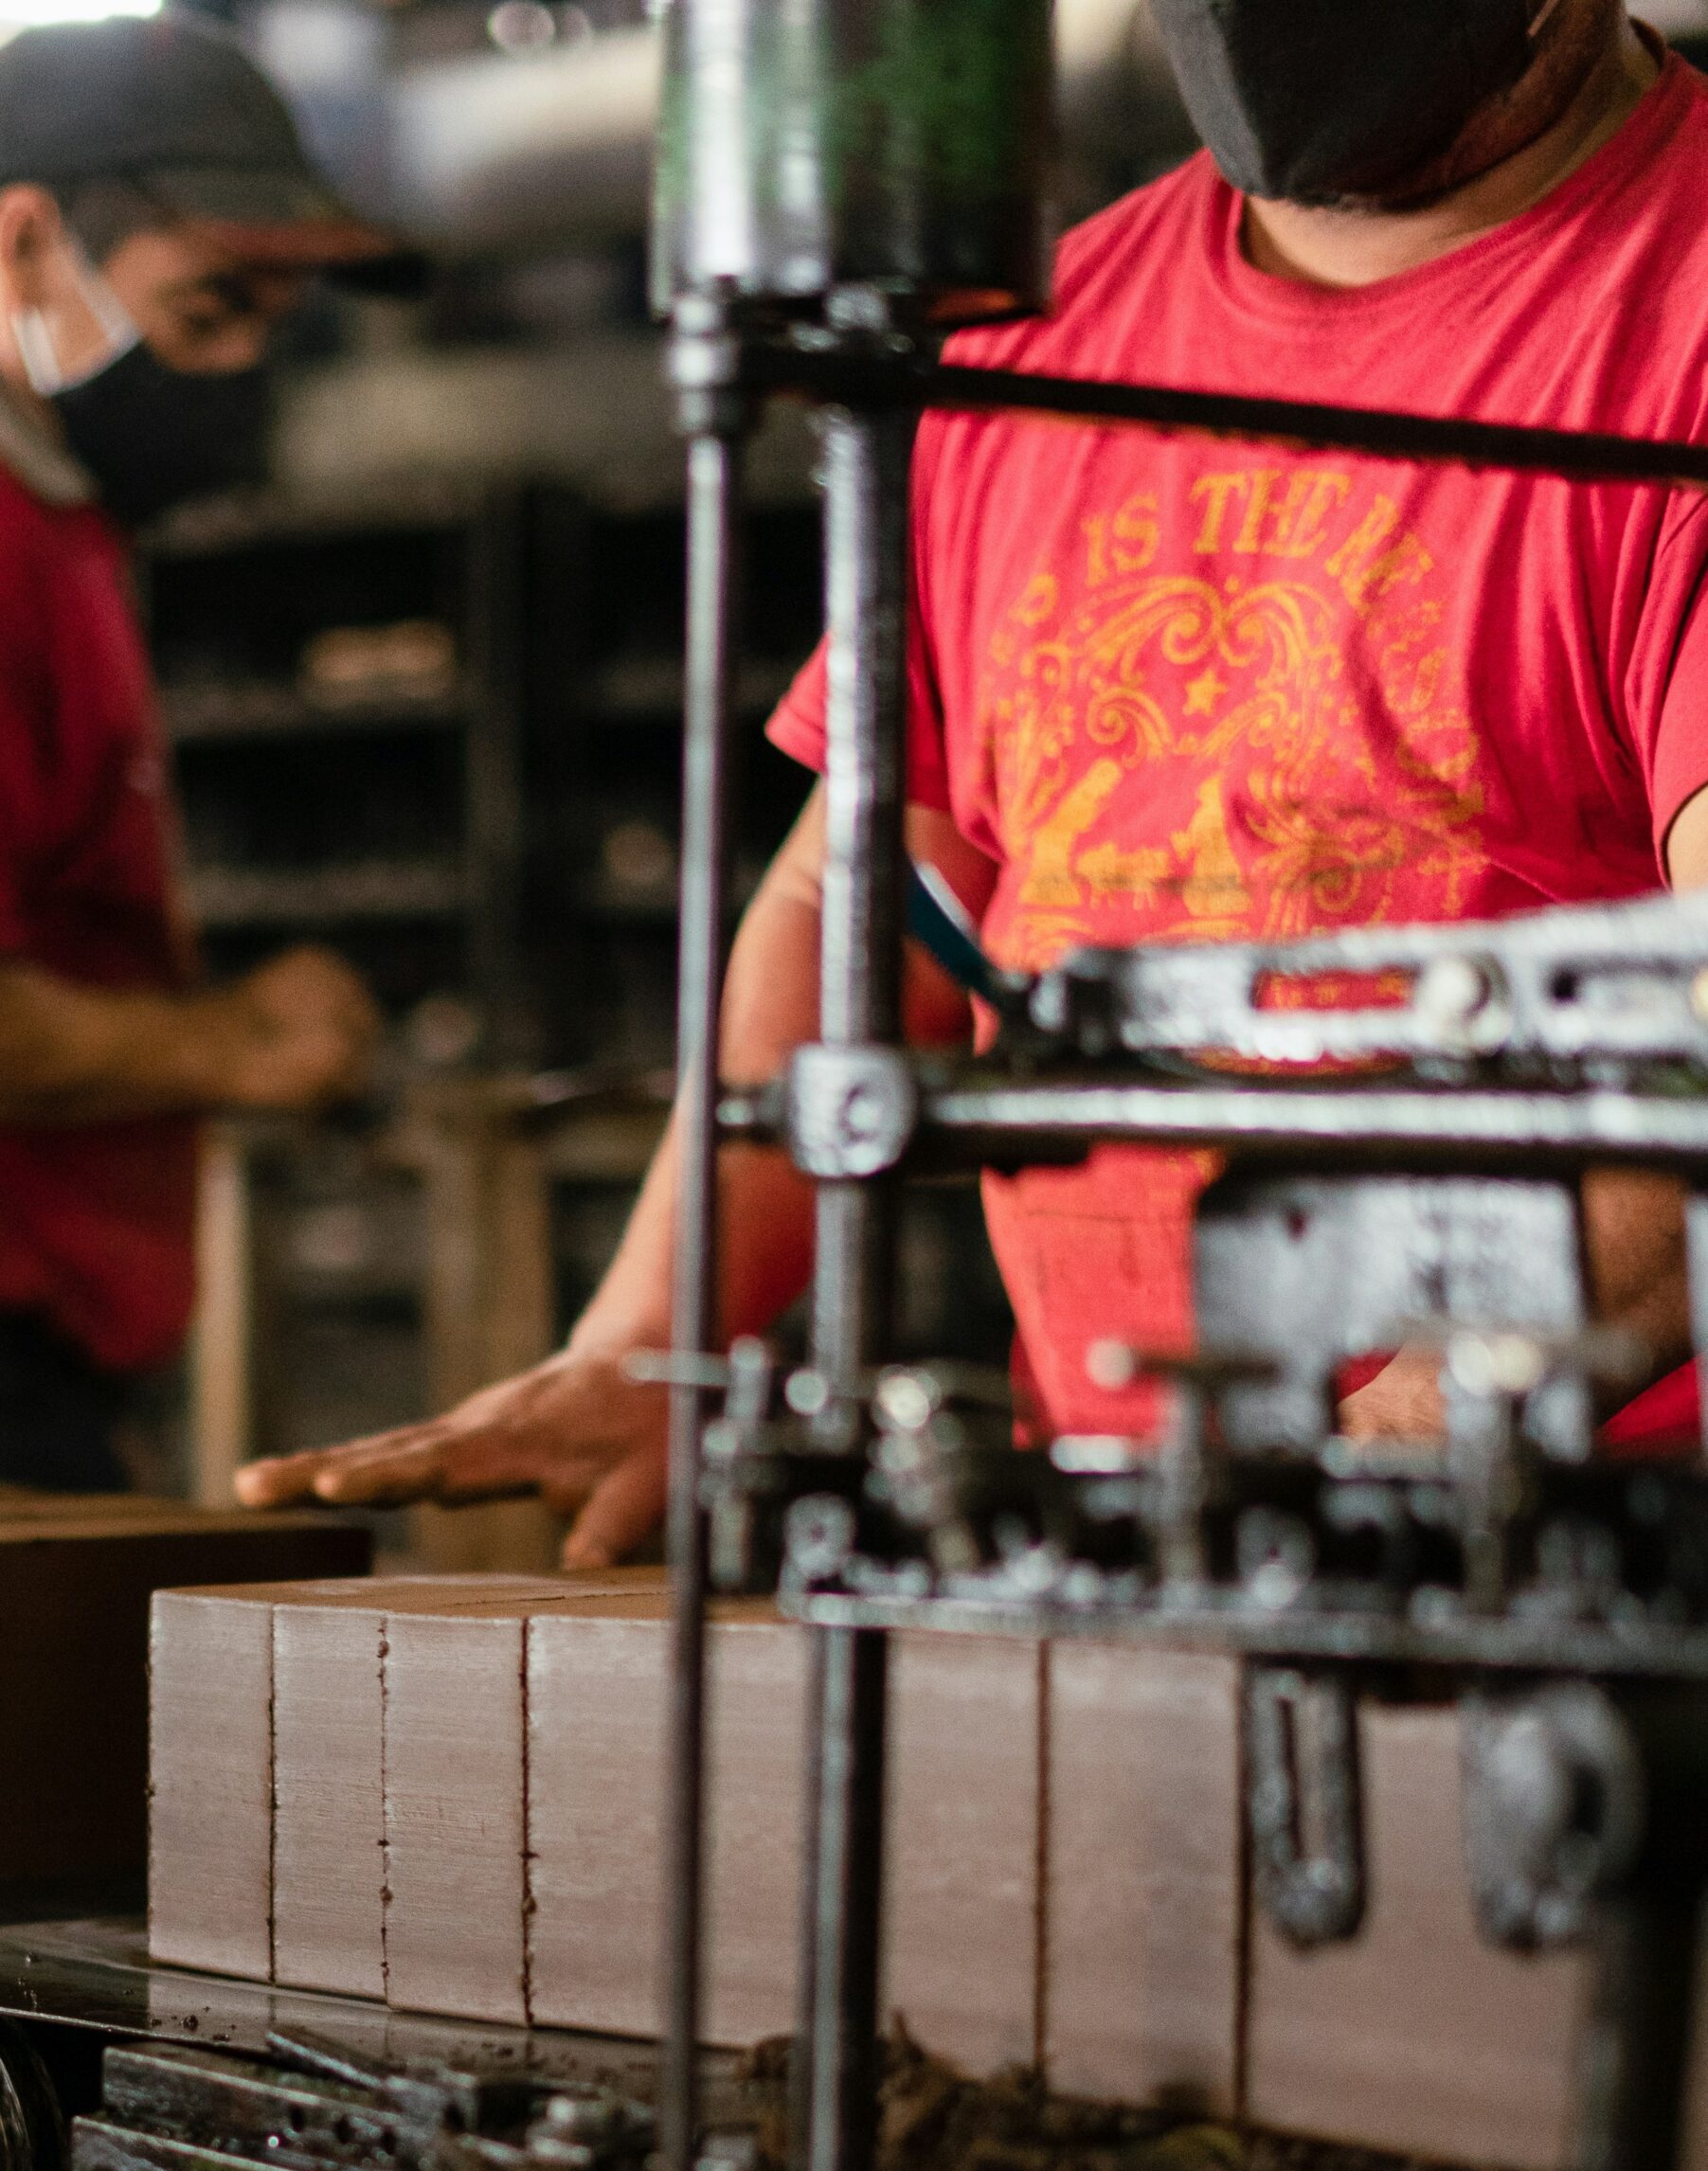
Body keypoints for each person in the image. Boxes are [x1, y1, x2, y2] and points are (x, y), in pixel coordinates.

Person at [241, 0, 1708, 1554]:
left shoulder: (1674, 315)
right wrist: (659, 1339)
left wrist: (1410, 1431)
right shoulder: (1044, 336)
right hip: (1131, 1517)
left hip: (1585, 1535)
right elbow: (875, 895)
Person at [0, 13, 385, 1489]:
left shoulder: (64, 521)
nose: (237, 372)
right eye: (209, 310)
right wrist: (230, 1044)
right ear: (28, 246)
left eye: (276, 327)